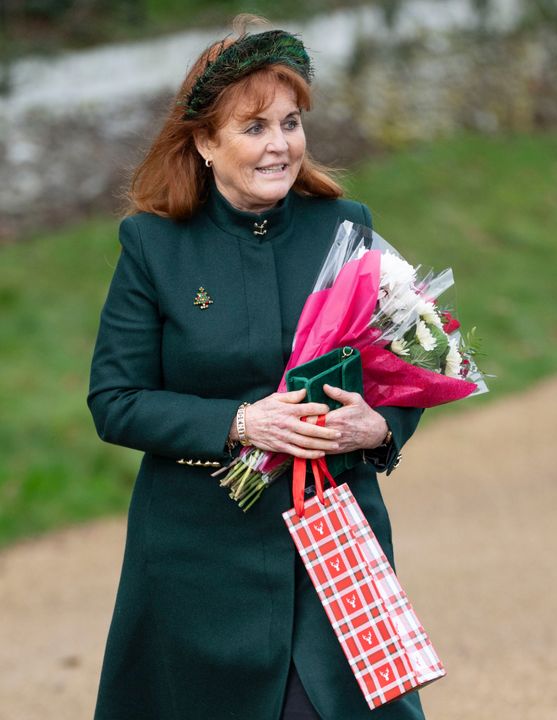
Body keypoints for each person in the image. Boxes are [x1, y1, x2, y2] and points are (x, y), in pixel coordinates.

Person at [87, 18, 425, 720]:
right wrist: (241, 422)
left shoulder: (348, 228)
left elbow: (412, 369)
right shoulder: (152, 245)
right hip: (199, 559)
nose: (281, 145)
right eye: (255, 127)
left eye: (291, 122)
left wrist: (380, 426)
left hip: (338, 541)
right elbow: (115, 400)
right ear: (206, 142)